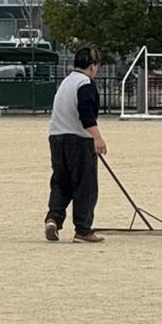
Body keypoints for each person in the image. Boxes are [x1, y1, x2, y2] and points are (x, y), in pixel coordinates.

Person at [44, 44, 107, 244]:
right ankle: (83, 229)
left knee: (61, 182)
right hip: (78, 140)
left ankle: (54, 218)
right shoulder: (85, 84)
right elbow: (86, 114)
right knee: (85, 185)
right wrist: (97, 138)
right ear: (92, 66)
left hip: (56, 137)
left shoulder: (66, 82)